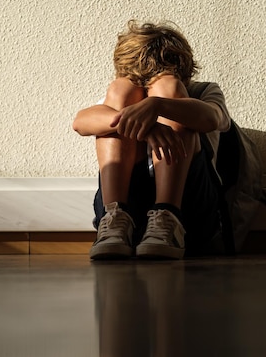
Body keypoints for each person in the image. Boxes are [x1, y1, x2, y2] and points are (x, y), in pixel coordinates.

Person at [72, 20, 231, 260]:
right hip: (130, 210)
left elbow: (212, 118)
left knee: (170, 91)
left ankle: (168, 216)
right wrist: (146, 127)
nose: (147, 87)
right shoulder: (120, 98)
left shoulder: (203, 90)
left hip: (190, 213)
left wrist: (159, 105)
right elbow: (80, 122)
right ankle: (115, 219)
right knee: (120, 92)